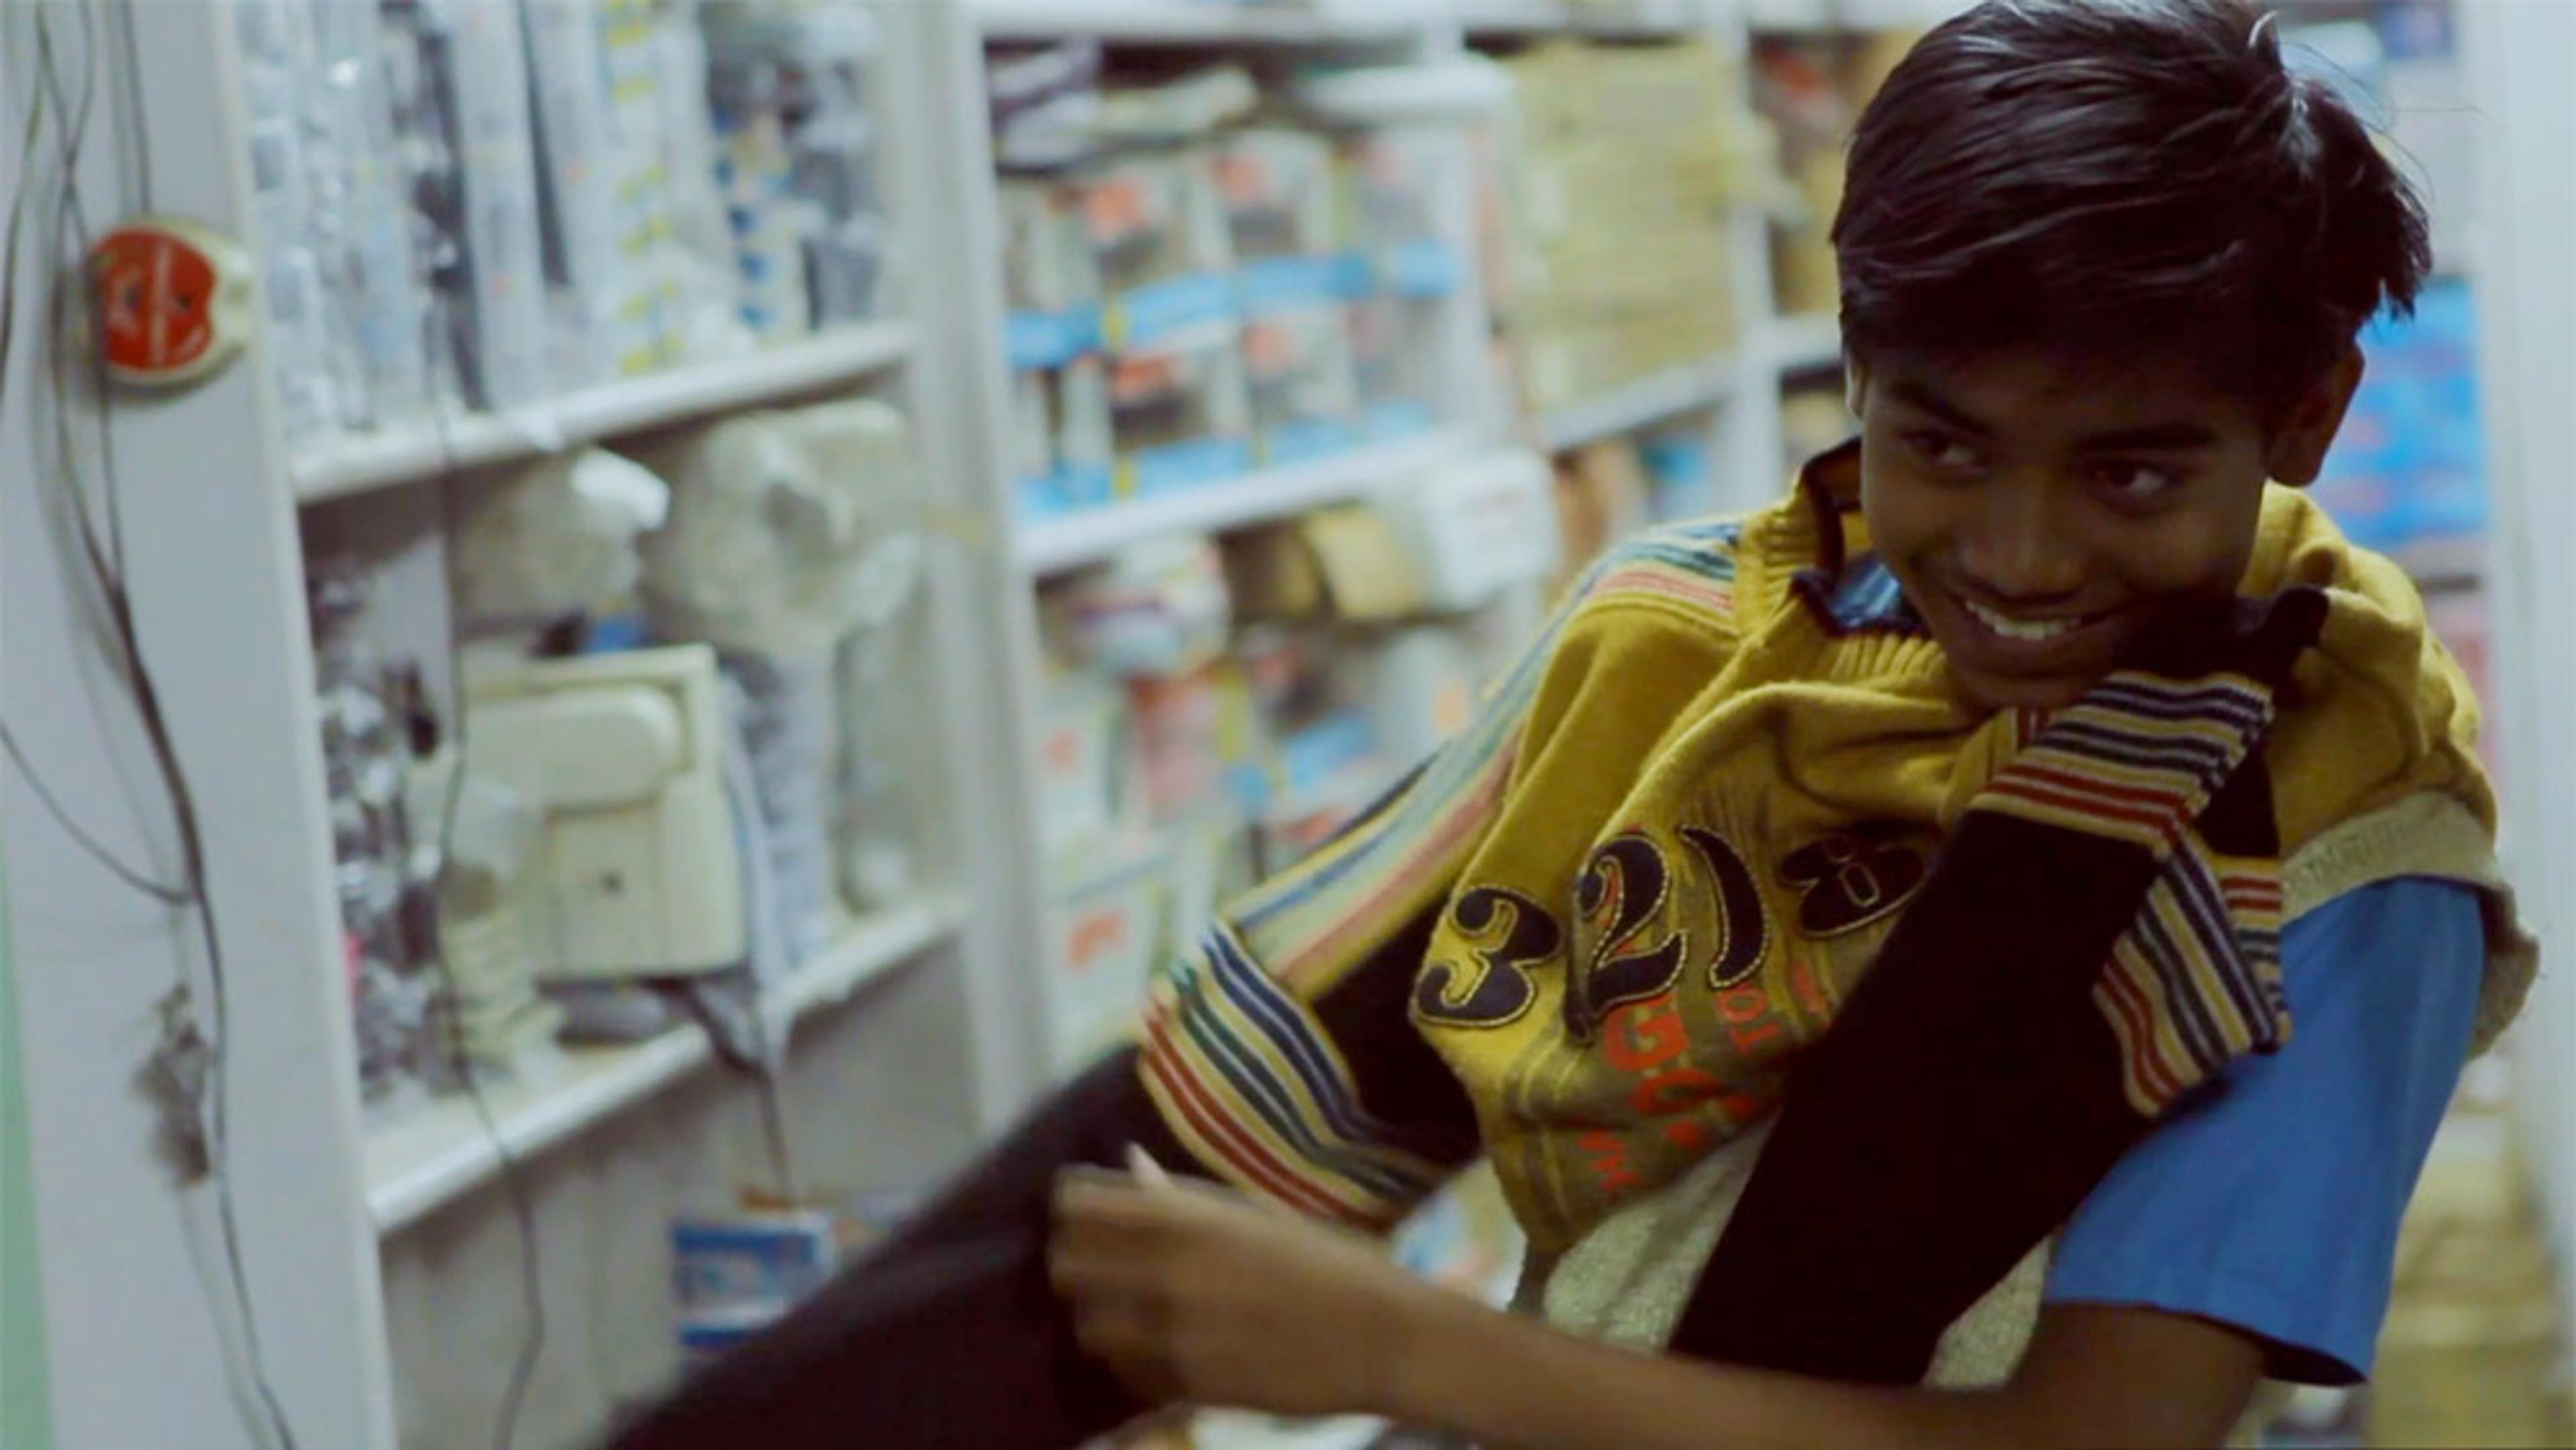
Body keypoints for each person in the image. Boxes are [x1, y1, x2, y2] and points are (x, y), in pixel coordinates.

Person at [606, 3, 2532, 1447]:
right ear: (1856, 364)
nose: (2021, 554)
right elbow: (1211, 1142)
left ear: (2304, 424)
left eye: (2131, 474)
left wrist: (1404, 1353)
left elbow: (2089, 1440)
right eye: (1941, 442)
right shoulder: (1689, 642)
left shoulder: (2346, 839)